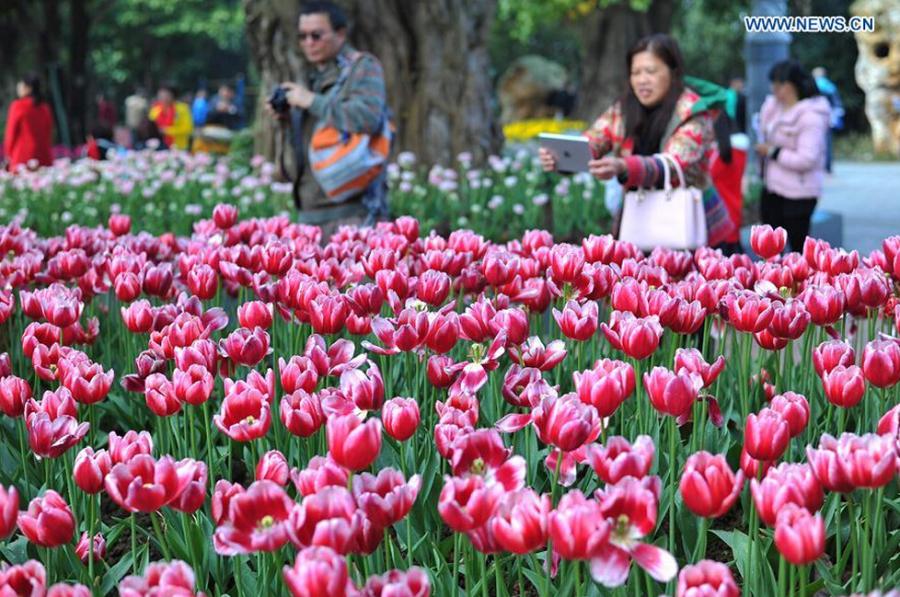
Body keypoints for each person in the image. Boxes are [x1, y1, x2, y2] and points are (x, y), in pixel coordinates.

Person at [539, 34, 715, 238]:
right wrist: (564, 158)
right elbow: (596, 138)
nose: (641, 80)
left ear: (673, 72)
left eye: (650, 71)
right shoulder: (623, 109)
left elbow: (673, 165)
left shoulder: (693, 111)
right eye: (635, 72)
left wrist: (624, 166)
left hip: (692, 228)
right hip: (638, 223)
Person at [272, 0, 390, 240]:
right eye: (302, 36)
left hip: (352, 213)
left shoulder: (363, 67)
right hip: (309, 211)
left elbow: (367, 118)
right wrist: (286, 118)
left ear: (341, 33)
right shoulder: (309, 76)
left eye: (316, 35)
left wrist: (310, 101)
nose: (309, 43)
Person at [756, 60, 830, 253]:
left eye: (776, 84)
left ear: (788, 85)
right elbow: (763, 127)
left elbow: (807, 159)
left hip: (799, 194)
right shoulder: (775, 108)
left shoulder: (811, 116)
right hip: (773, 188)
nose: (772, 89)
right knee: (770, 251)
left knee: (798, 250)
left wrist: (774, 152)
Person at [3, 73, 54, 172]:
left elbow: (10, 134)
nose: (18, 87)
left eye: (21, 85)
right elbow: (48, 133)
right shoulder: (45, 108)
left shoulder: (17, 106)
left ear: (28, 88)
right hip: (43, 158)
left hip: (21, 159)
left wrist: (8, 155)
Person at [812, 66, 844, 173]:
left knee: (815, 142)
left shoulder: (812, 86)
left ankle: (818, 166)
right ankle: (828, 166)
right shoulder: (830, 86)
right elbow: (837, 103)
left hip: (815, 117)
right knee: (827, 142)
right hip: (828, 117)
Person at [149, 84, 193, 150]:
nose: (163, 98)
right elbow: (151, 127)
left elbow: (188, 128)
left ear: (173, 96)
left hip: (179, 147)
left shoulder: (182, 109)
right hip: (159, 147)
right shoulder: (155, 110)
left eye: (166, 95)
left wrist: (167, 130)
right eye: (160, 96)